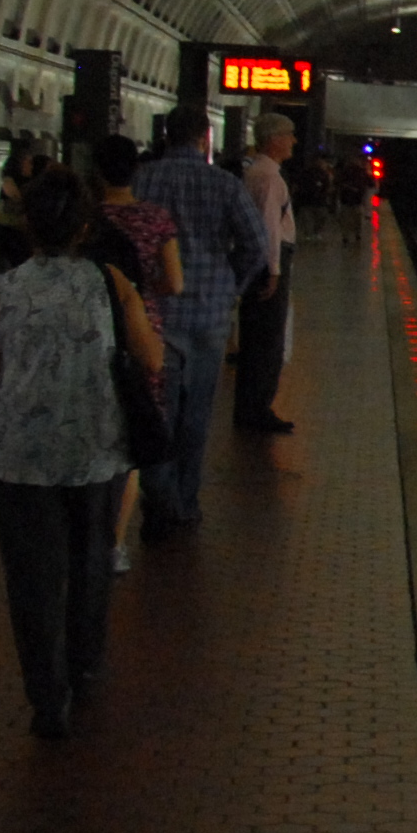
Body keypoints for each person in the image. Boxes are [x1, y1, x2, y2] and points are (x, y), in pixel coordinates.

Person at [0, 167, 161, 738]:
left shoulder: (0, 290)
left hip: (16, 458)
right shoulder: (110, 284)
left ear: (26, 224)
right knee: (88, 563)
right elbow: (151, 358)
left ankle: (45, 697)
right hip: (95, 451)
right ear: (84, 227)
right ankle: (84, 668)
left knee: (30, 578)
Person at [133, 114, 270, 532]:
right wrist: (232, 285)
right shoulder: (225, 185)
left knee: (158, 411)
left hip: (155, 313)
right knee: (195, 415)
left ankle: (158, 501)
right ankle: (186, 503)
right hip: (210, 313)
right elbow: (257, 245)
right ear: (204, 139)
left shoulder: (142, 180)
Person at [83, 133, 181, 574]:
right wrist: (139, 294)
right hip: (143, 326)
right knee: (137, 426)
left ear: (96, 171)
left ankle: (84, 528)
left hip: (85, 327)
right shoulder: (156, 219)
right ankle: (117, 542)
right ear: (136, 170)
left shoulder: (84, 220)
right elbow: (175, 282)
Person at [232, 112, 298, 435]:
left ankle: (250, 406)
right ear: (273, 139)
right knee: (268, 340)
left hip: (258, 263)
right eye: (289, 135)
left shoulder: (254, 172)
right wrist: (274, 270)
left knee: (256, 338)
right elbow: (270, 228)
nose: (293, 141)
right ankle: (257, 409)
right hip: (270, 264)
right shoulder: (270, 178)